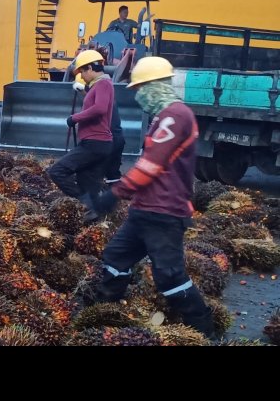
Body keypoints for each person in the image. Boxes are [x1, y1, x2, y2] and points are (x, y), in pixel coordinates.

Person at [91, 57, 216, 339]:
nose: (137, 95)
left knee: (169, 275)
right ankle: (104, 313)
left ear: (155, 86)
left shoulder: (177, 115)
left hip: (165, 212)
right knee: (115, 257)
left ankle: (203, 328)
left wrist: (115, 193)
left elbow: (152, 164)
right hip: (144, 210)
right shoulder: (163, 116)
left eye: (140, 89)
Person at [47, 50, 113, 223]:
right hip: (98, 143)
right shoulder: (99, 85)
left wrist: (74, 118)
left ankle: (87, 204)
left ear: (90, 68)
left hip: (94, 143)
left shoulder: (103, 84)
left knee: (57, 171)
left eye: (82, 72)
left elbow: (100, 108)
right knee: (87, 183)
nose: (82, 77)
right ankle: (94, 216)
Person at [75, 71, 125, 184]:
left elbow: (96, 110)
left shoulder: (101, 94)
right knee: (111, 173)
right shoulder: (105, 96)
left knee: (103, 172)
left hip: (109, 140)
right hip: (115, 138)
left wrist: (75, 118)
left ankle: (106, 197)